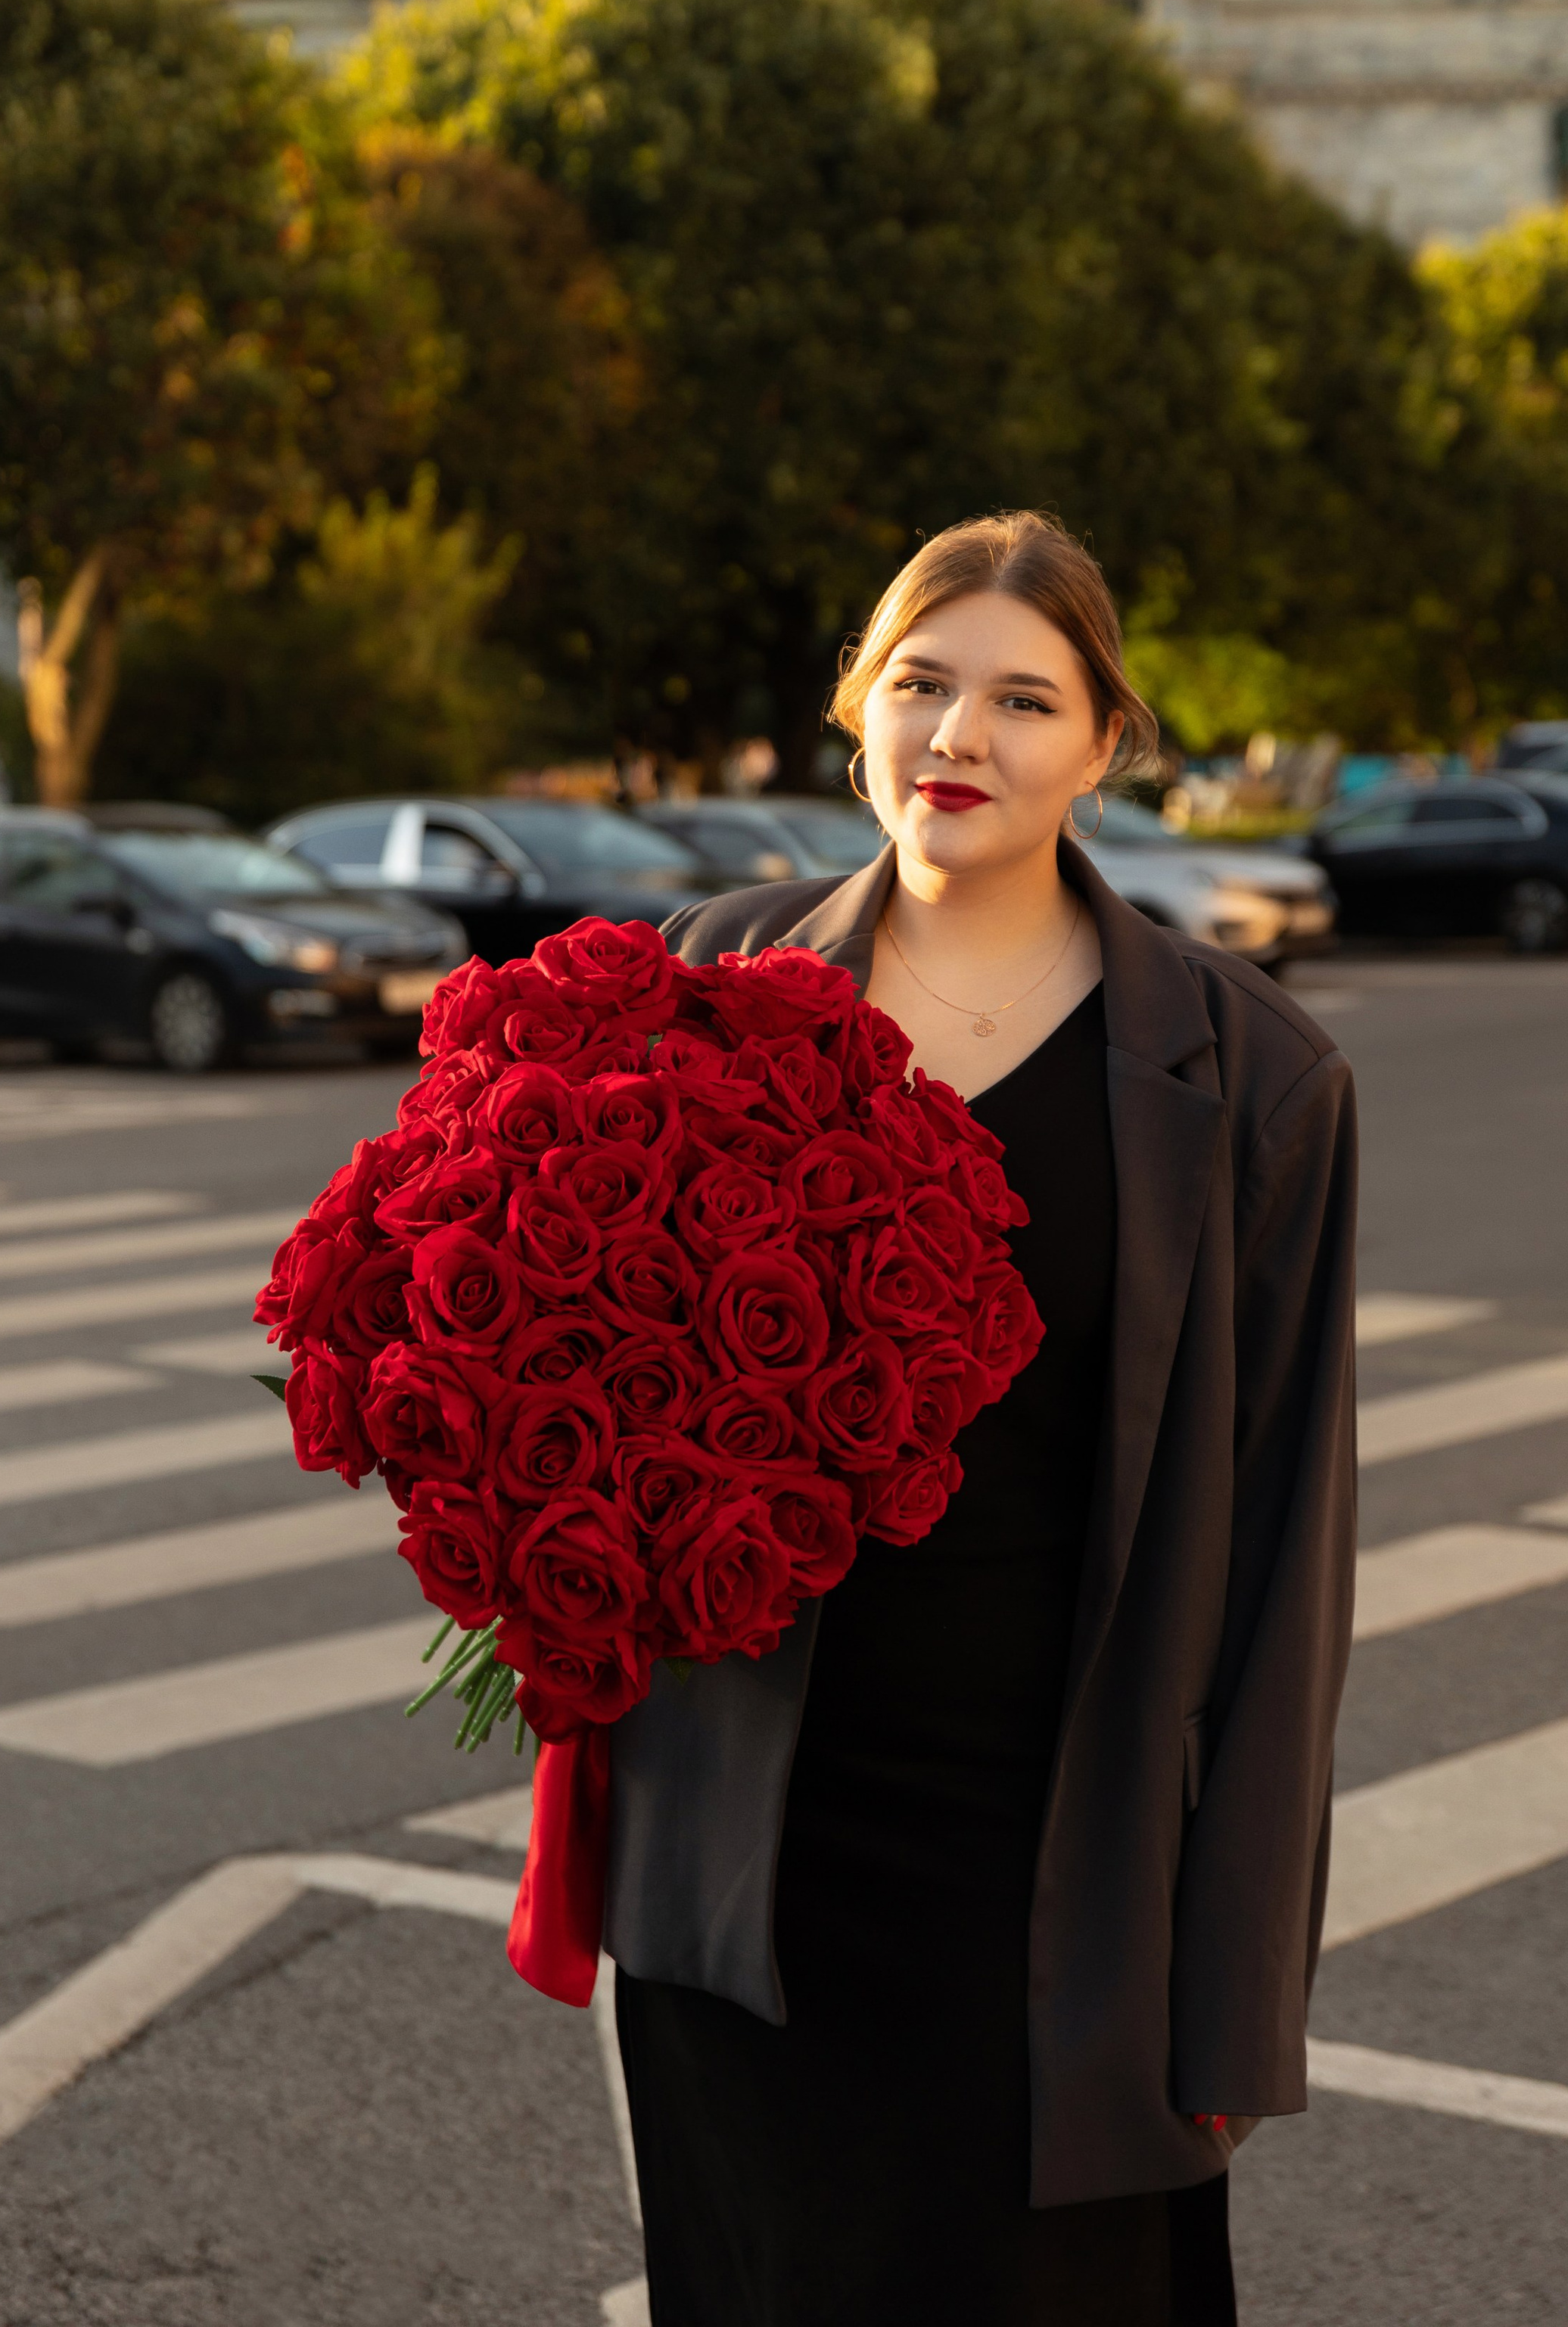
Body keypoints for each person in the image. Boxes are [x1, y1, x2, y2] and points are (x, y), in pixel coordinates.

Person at [605, 512, 1357, 2327]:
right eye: (920, 683)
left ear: (1104, 743)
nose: (958, 737)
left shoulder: (1250, 1074)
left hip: (1057, 1868)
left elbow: (1282, 1562)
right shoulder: (715, 981)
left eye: (1022, 700)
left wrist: (1234, 1990)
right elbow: (608, 1375)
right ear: (856, 705)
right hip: (752, 1851)